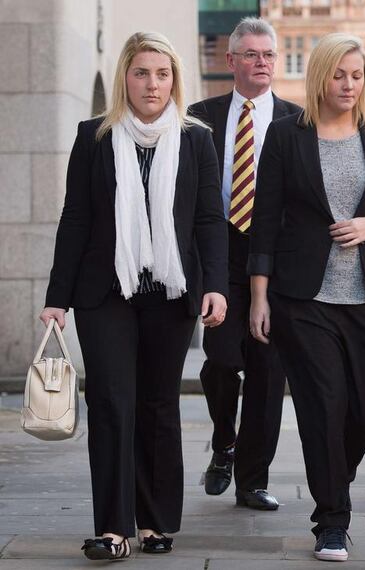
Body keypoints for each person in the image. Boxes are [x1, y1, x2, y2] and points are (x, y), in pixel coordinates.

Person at [39, 32, 228, 560]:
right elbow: (75, 217)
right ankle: (115, 527)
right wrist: (58, 296)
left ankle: (156, 521)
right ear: (126, 76)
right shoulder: (94, 136)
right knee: (110, 404)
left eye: (162, 74)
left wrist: (214, 285)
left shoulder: (196, 138)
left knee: (158, 405)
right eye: (142, 72)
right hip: (104, 293)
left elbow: (210, 220)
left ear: (175, 80)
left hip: (170, 293)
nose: (152, 84)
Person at [247, 33, 365, 562]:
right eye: (339, 74)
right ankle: (333, 521)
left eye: (357, 75)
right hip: (305, 298)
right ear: (320, 76)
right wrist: (259, 297)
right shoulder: (285, 136)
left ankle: (331, 482)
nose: (348, 84)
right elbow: (264, 222)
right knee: (323, 407)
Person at [189, 17, 301, 510]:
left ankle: (252, 479)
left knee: (268, 370)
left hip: (275, 260)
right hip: (219, 255)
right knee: (222, 359)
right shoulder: (200, 115)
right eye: (251, 55)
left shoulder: (297, 121)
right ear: (230, 61)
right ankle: (224, 441)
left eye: (269, 55)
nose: (262, 62)